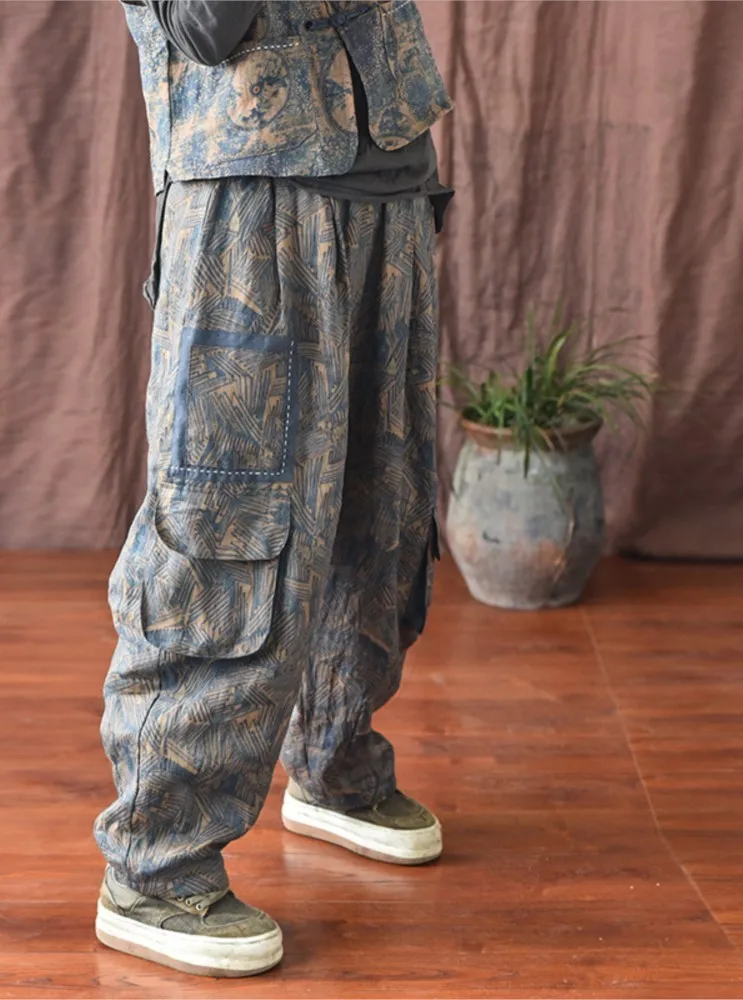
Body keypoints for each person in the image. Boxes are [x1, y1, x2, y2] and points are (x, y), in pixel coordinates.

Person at [94, 0, 453, 978]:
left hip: (391, 172)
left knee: (382, 505)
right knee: (231, 523)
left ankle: (334, 760)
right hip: (249, 193)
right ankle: (157, 863)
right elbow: (205, 27)